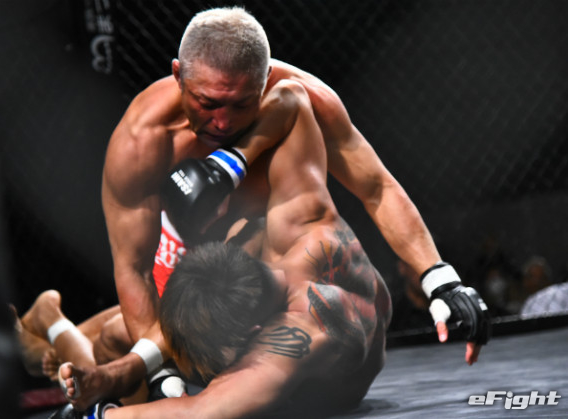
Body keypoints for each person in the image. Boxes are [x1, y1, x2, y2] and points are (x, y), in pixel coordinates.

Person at [56, 5, 489, 411]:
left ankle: (70, 340)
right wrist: (162, 375)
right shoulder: (142, 142)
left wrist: (440, 280)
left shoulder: (303, 102)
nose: (222, 121)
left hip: (288, 287)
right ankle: (58, 331)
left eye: (241, 104)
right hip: (207, 286)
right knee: (115, 338)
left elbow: (376, 187)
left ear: (264, 82)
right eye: (207, 103)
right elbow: (133, 268)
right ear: (178, 76)